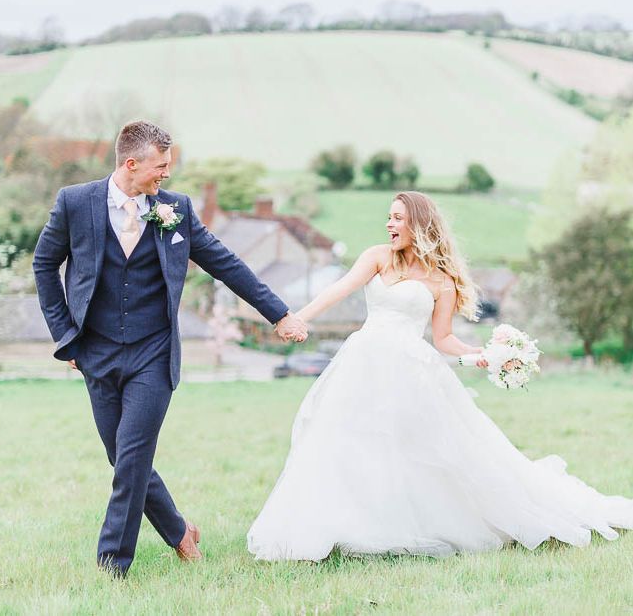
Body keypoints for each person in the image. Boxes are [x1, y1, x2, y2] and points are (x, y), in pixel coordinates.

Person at [248, 191, 633, 561]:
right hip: (362, 362)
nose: (389, 224)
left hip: (410, 371)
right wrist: (296, 319)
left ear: (419, 223)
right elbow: (339, 289)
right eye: (389, 217)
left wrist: (482, 355)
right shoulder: (378, 257)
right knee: (342, 440)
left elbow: (445, 338)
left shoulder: (441, 281)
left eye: (397, 217)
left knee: (422, 450)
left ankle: (405, 525)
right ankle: (336, 527)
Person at [33, 121, 306, 576]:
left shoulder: (175, 209)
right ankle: (179, 531)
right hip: (95, 351)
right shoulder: (75, 202)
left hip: (153, 352)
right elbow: (44, 265)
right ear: (131, 163)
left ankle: (111, 566)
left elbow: (225, 263)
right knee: (121, 456)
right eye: (160, 168)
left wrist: (279, 313)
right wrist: (66, 339)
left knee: (133, 455)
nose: (166, 176)